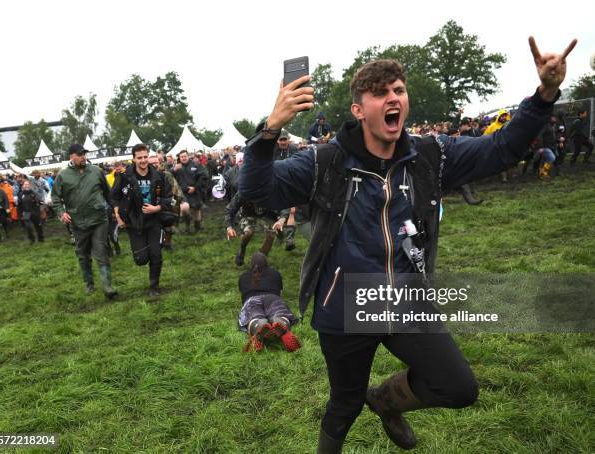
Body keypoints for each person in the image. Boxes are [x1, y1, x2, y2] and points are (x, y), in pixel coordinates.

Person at [239, 37, 577, 452]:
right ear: (359, 110)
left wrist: (544, 95)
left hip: (407, 301)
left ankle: (384, 401)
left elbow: (502, 148)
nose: (392, 98)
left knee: (458, 387)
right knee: (343, 405)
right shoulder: (324, 163)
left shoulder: (432, 155)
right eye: (380, 93)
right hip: (345, 304)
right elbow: (257, 190)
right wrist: (270, 130)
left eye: (398, 90)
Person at [52, 144, 118, 298]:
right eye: (80, 154)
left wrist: (114, 209)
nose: (83, 157)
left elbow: (108, 192)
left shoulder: (96, 171)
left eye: (84, 154)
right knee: (83, 255)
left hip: (99, 219)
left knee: (101, 253)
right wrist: (61, 213)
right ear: (71, 157)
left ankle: (107, 286)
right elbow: (55, 198)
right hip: (78, 222)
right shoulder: (63, 176)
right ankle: (89, 283)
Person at [111, 144, 172, 297]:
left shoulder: (159, 176)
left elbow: (167, 198)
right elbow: (114, 197)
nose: (143, 160)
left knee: (156, 255)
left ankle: (154, 287)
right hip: (133, 221)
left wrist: (156, 208)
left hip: (154, 220)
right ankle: (145, 254)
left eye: (145, 157)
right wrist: (118, 217)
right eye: (140, 158)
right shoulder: (124, 177)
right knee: (141, 259)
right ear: (133, 159)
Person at [238, 252, 301, 352]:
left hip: (252, 300)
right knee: (280, 313)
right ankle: (280, 322)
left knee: (254, 317)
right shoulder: (275, 274)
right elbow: (280, 293)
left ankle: (259, 325)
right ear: (266, 263)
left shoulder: (243, 277)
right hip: (273, 298)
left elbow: (243, 297)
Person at [225, 191, 285, 266]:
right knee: (249, 232)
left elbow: (283, 204)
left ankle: (260, 260)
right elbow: (230, 209)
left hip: (267, 215)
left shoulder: (270, 189)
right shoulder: (244, 191)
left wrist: (281, 218)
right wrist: (229, 227)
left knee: (271, 234)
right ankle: (242, 249)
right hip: (248, 214)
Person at [173, 150, 207, 233]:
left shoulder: (195, 165)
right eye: (182, 157)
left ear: (188, 156)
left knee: (197, 209)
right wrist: (173, 170)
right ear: (179, 158)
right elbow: (171, 178)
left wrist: (195, 187)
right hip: (182, 193)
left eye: (185, 156)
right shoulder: (177, 167)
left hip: (195, 191)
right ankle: (187, 227)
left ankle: (197, 227)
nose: (183, 158)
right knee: (184, 208)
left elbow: (202, 177)